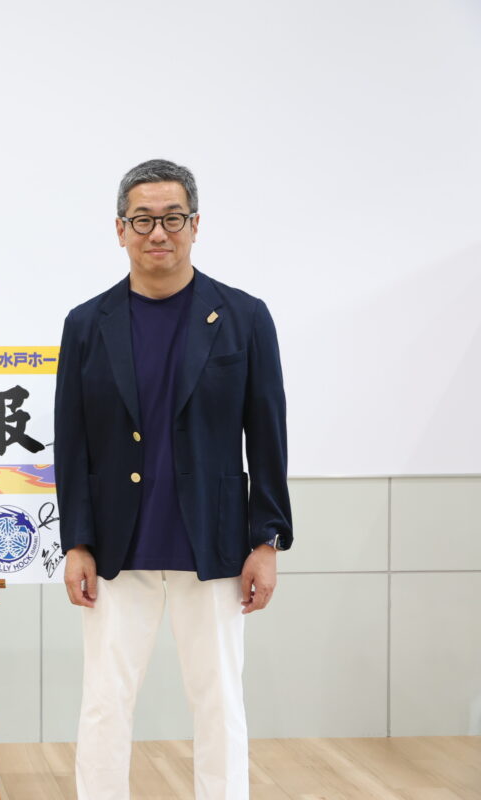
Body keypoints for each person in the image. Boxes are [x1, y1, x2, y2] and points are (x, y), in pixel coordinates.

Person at [53, 159, 293, 800]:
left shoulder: (243, 317)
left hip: (213, 543)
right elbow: (71, 443)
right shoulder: (87, 324)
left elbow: (267, 435)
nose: (157, 232)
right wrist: (76, 541)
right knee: (105, 701)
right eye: (142, 220)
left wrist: (266, 540)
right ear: (120, 229)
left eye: (172, 218)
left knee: (220, 701)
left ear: (195, 225)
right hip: (116, 545)